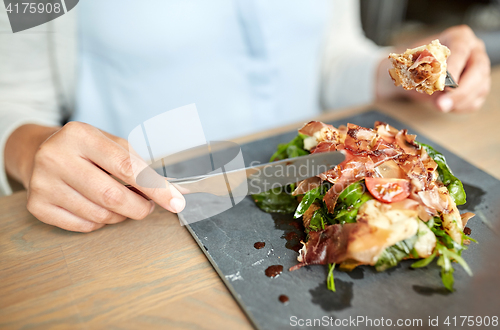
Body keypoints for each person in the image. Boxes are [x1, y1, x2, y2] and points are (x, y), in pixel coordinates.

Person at [0, 1, 490, 232]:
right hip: (145, 216)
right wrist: (32, 155)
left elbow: (331, 58)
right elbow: (15, 101)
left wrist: (408, 71)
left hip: (311, 184)